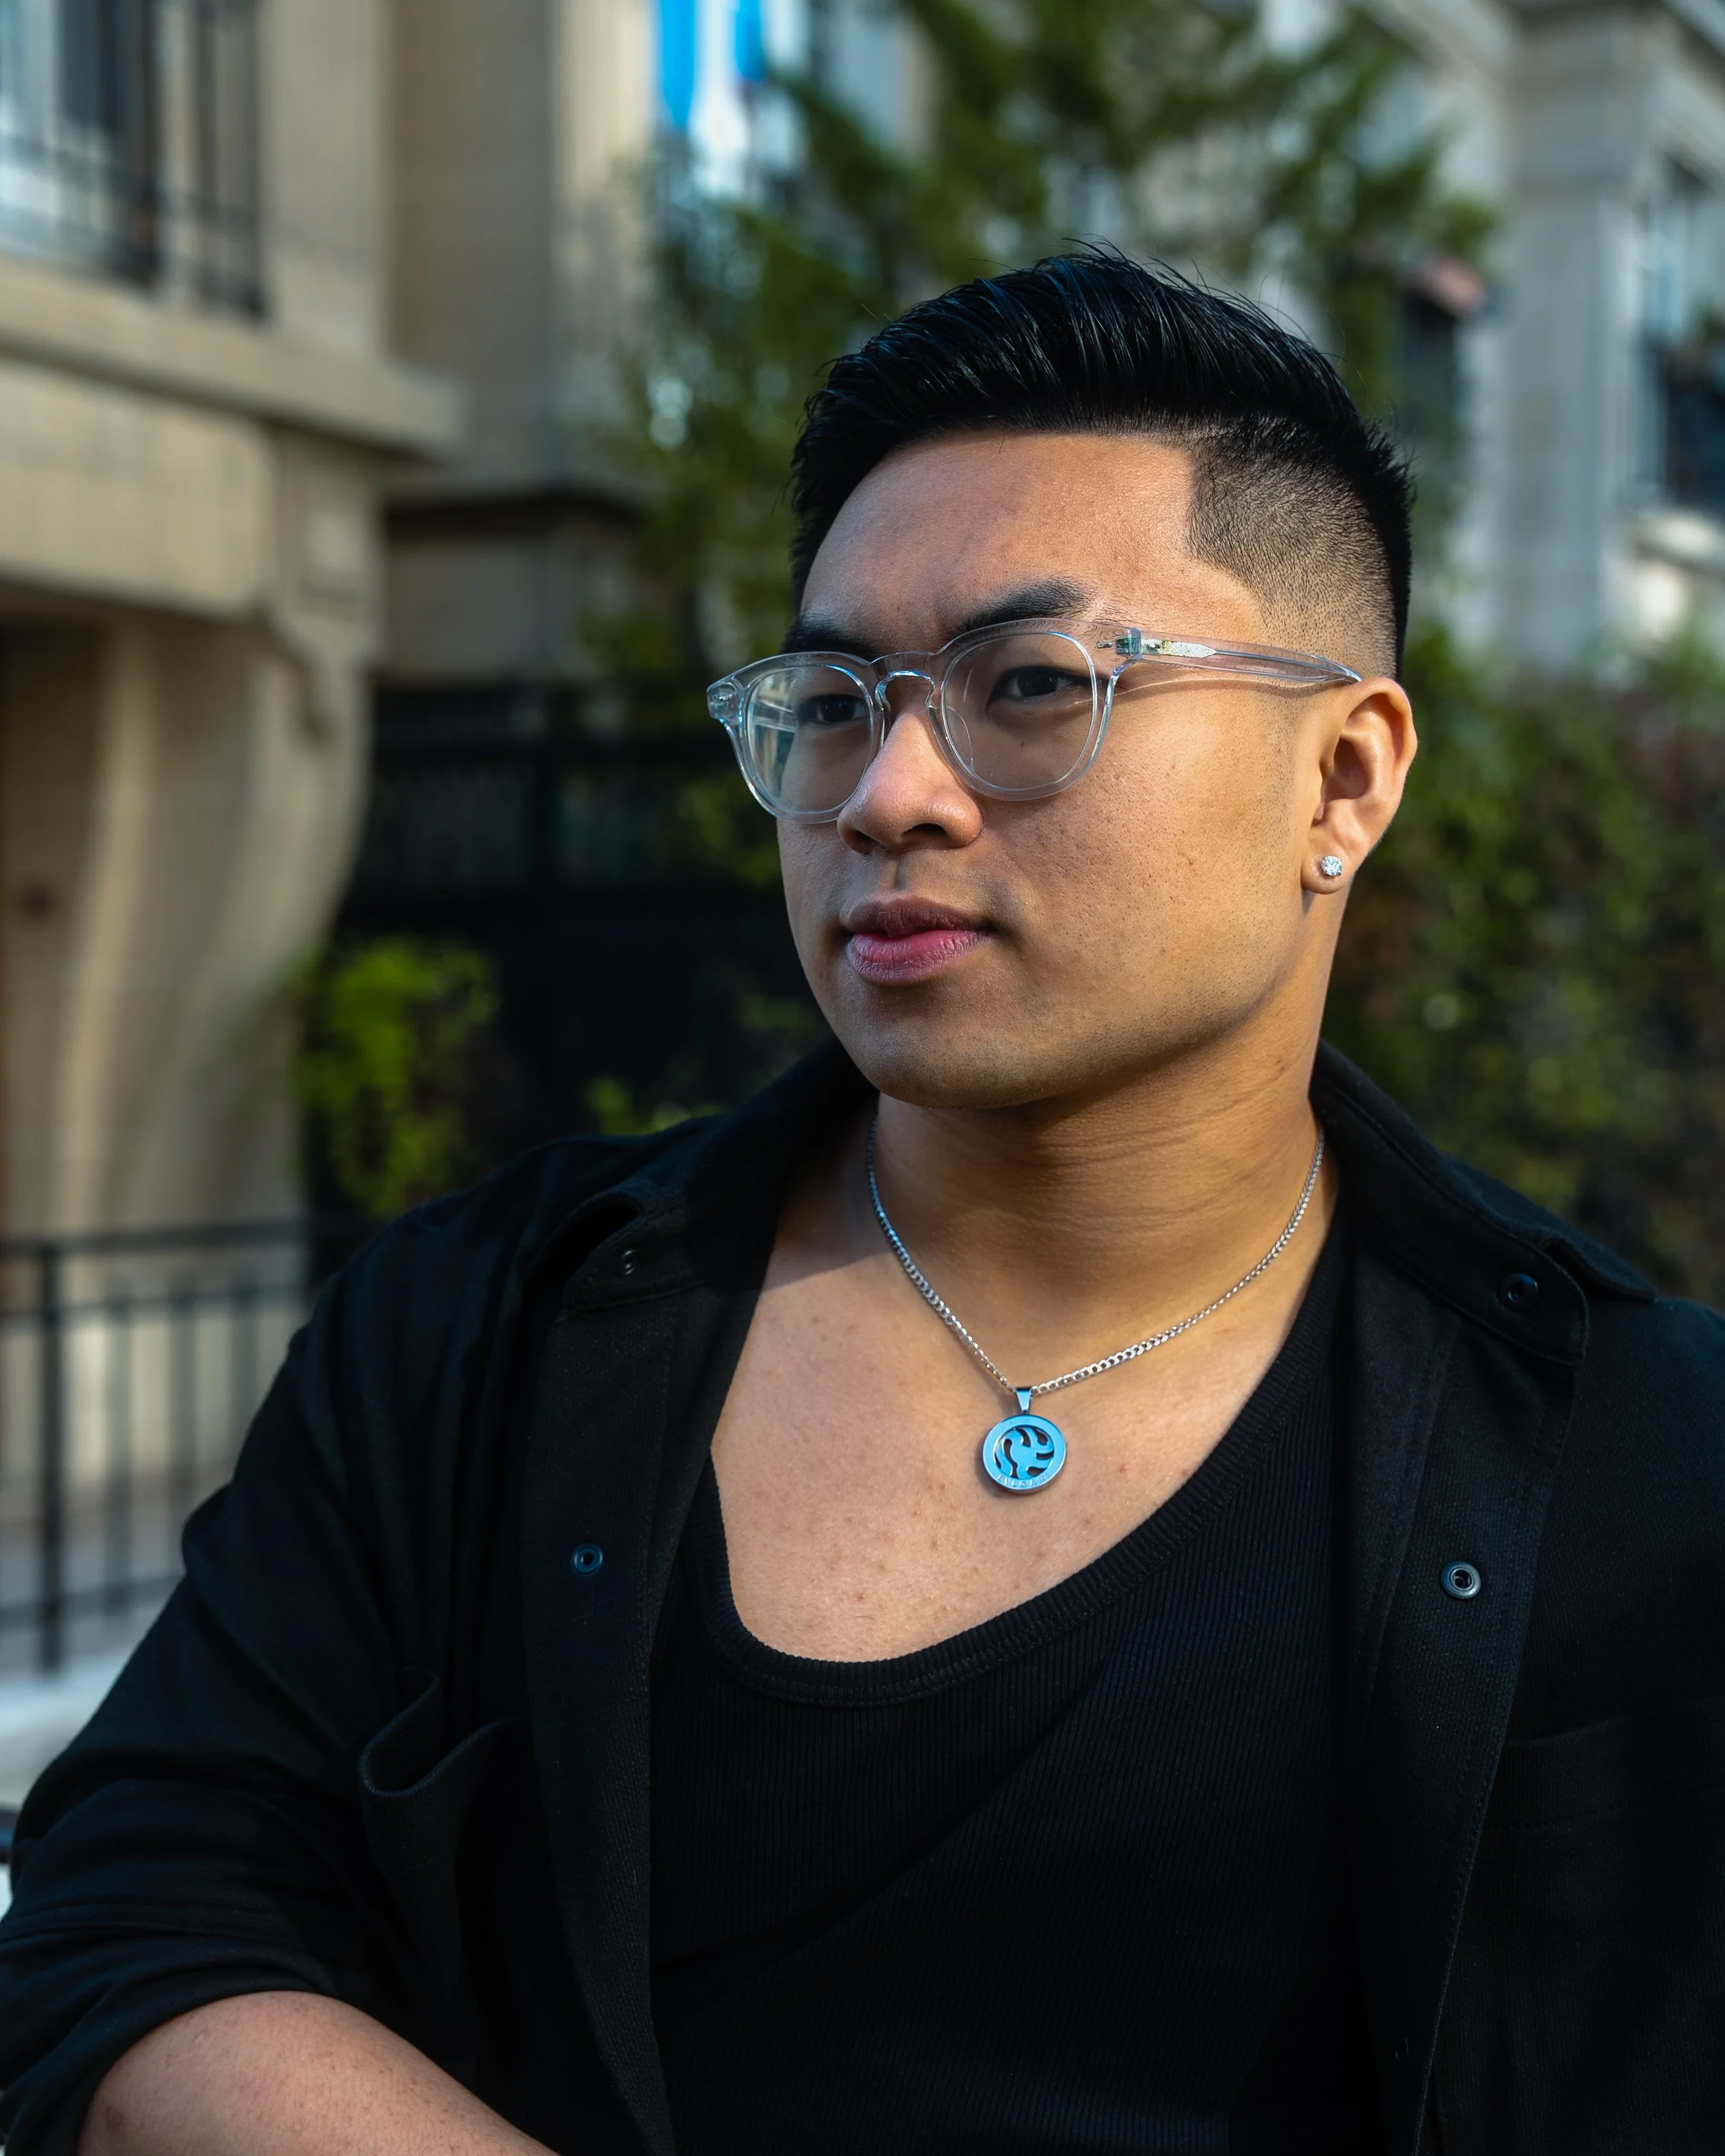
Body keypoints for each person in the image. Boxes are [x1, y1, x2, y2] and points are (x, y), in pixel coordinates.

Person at [3, 250, 1722, 2156]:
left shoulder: (1643, 1466)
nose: (888, 792)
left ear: (1342, 776)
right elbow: (130, 1924)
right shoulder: (474, 1335)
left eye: (1032, 685)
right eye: (832, 698)